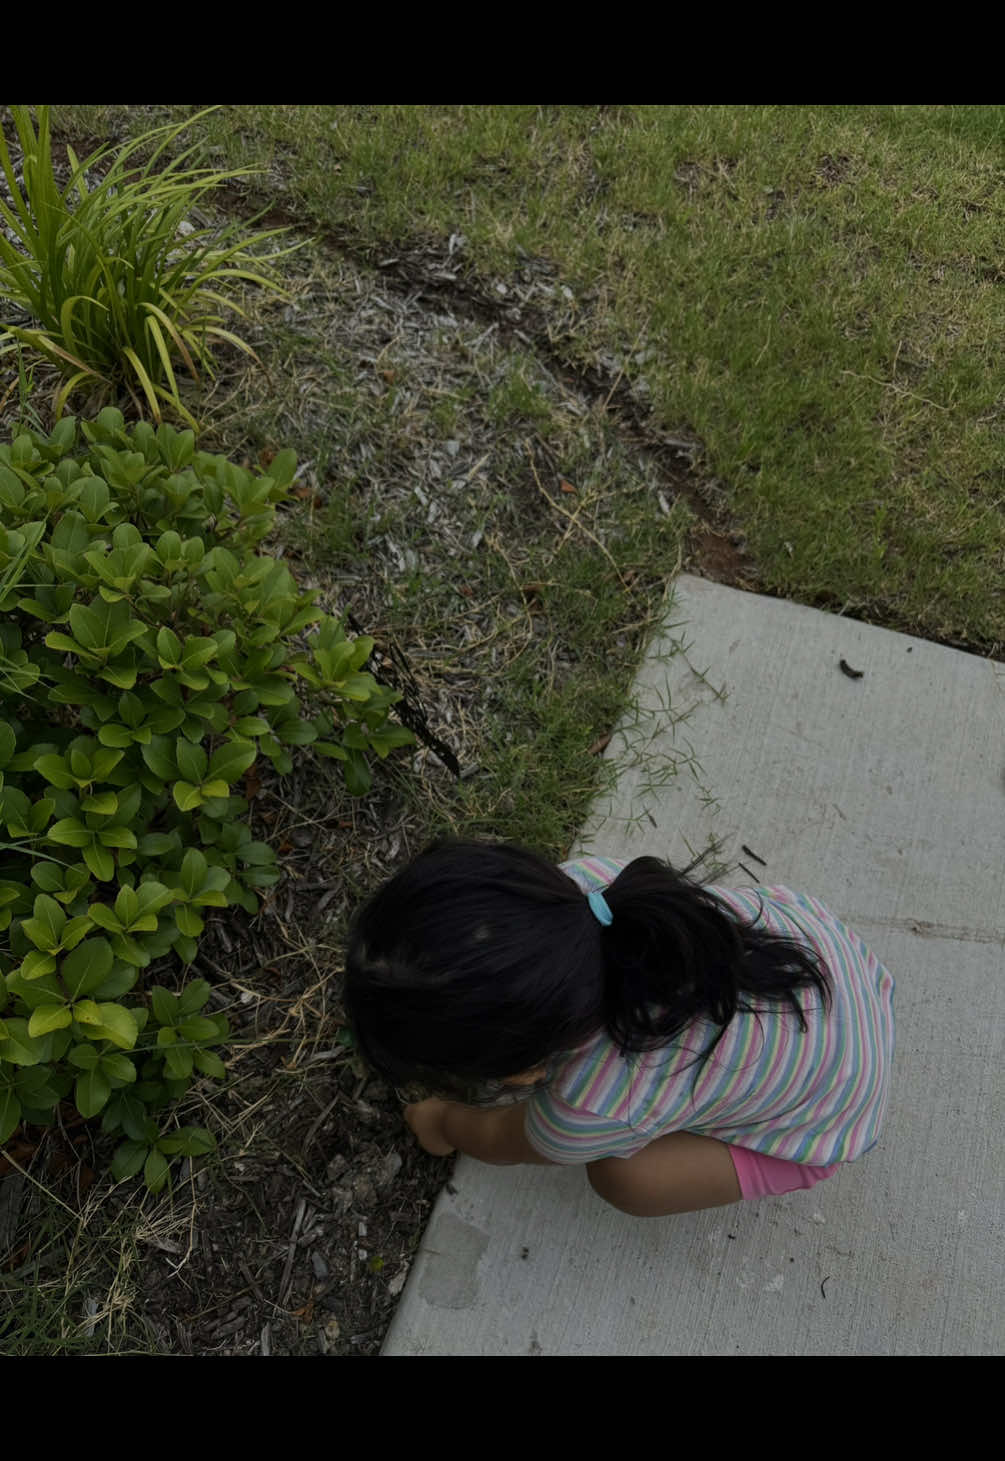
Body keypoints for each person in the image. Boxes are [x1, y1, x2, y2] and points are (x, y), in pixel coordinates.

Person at [343, 839, 895, 1216]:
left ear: (525, 1072)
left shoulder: (592, 1107)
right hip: (828, 959)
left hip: (826, 1120)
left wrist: (439, 1121)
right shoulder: (589, 893)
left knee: (623, 1180)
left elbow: (495, 1137)